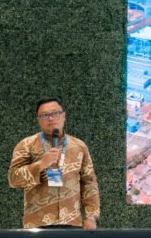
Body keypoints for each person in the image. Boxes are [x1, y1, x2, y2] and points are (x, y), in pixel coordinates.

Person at [8, 96, 101, 229]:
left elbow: (89, 182)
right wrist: (41, 164)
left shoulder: (79, 146)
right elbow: (13, 179)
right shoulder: (26, 145)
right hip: (37, 224)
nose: (51, 118)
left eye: (55, 113)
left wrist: (91, 216)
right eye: (45, 115)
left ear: (63, 116)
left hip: (72, 222)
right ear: (38, 119)